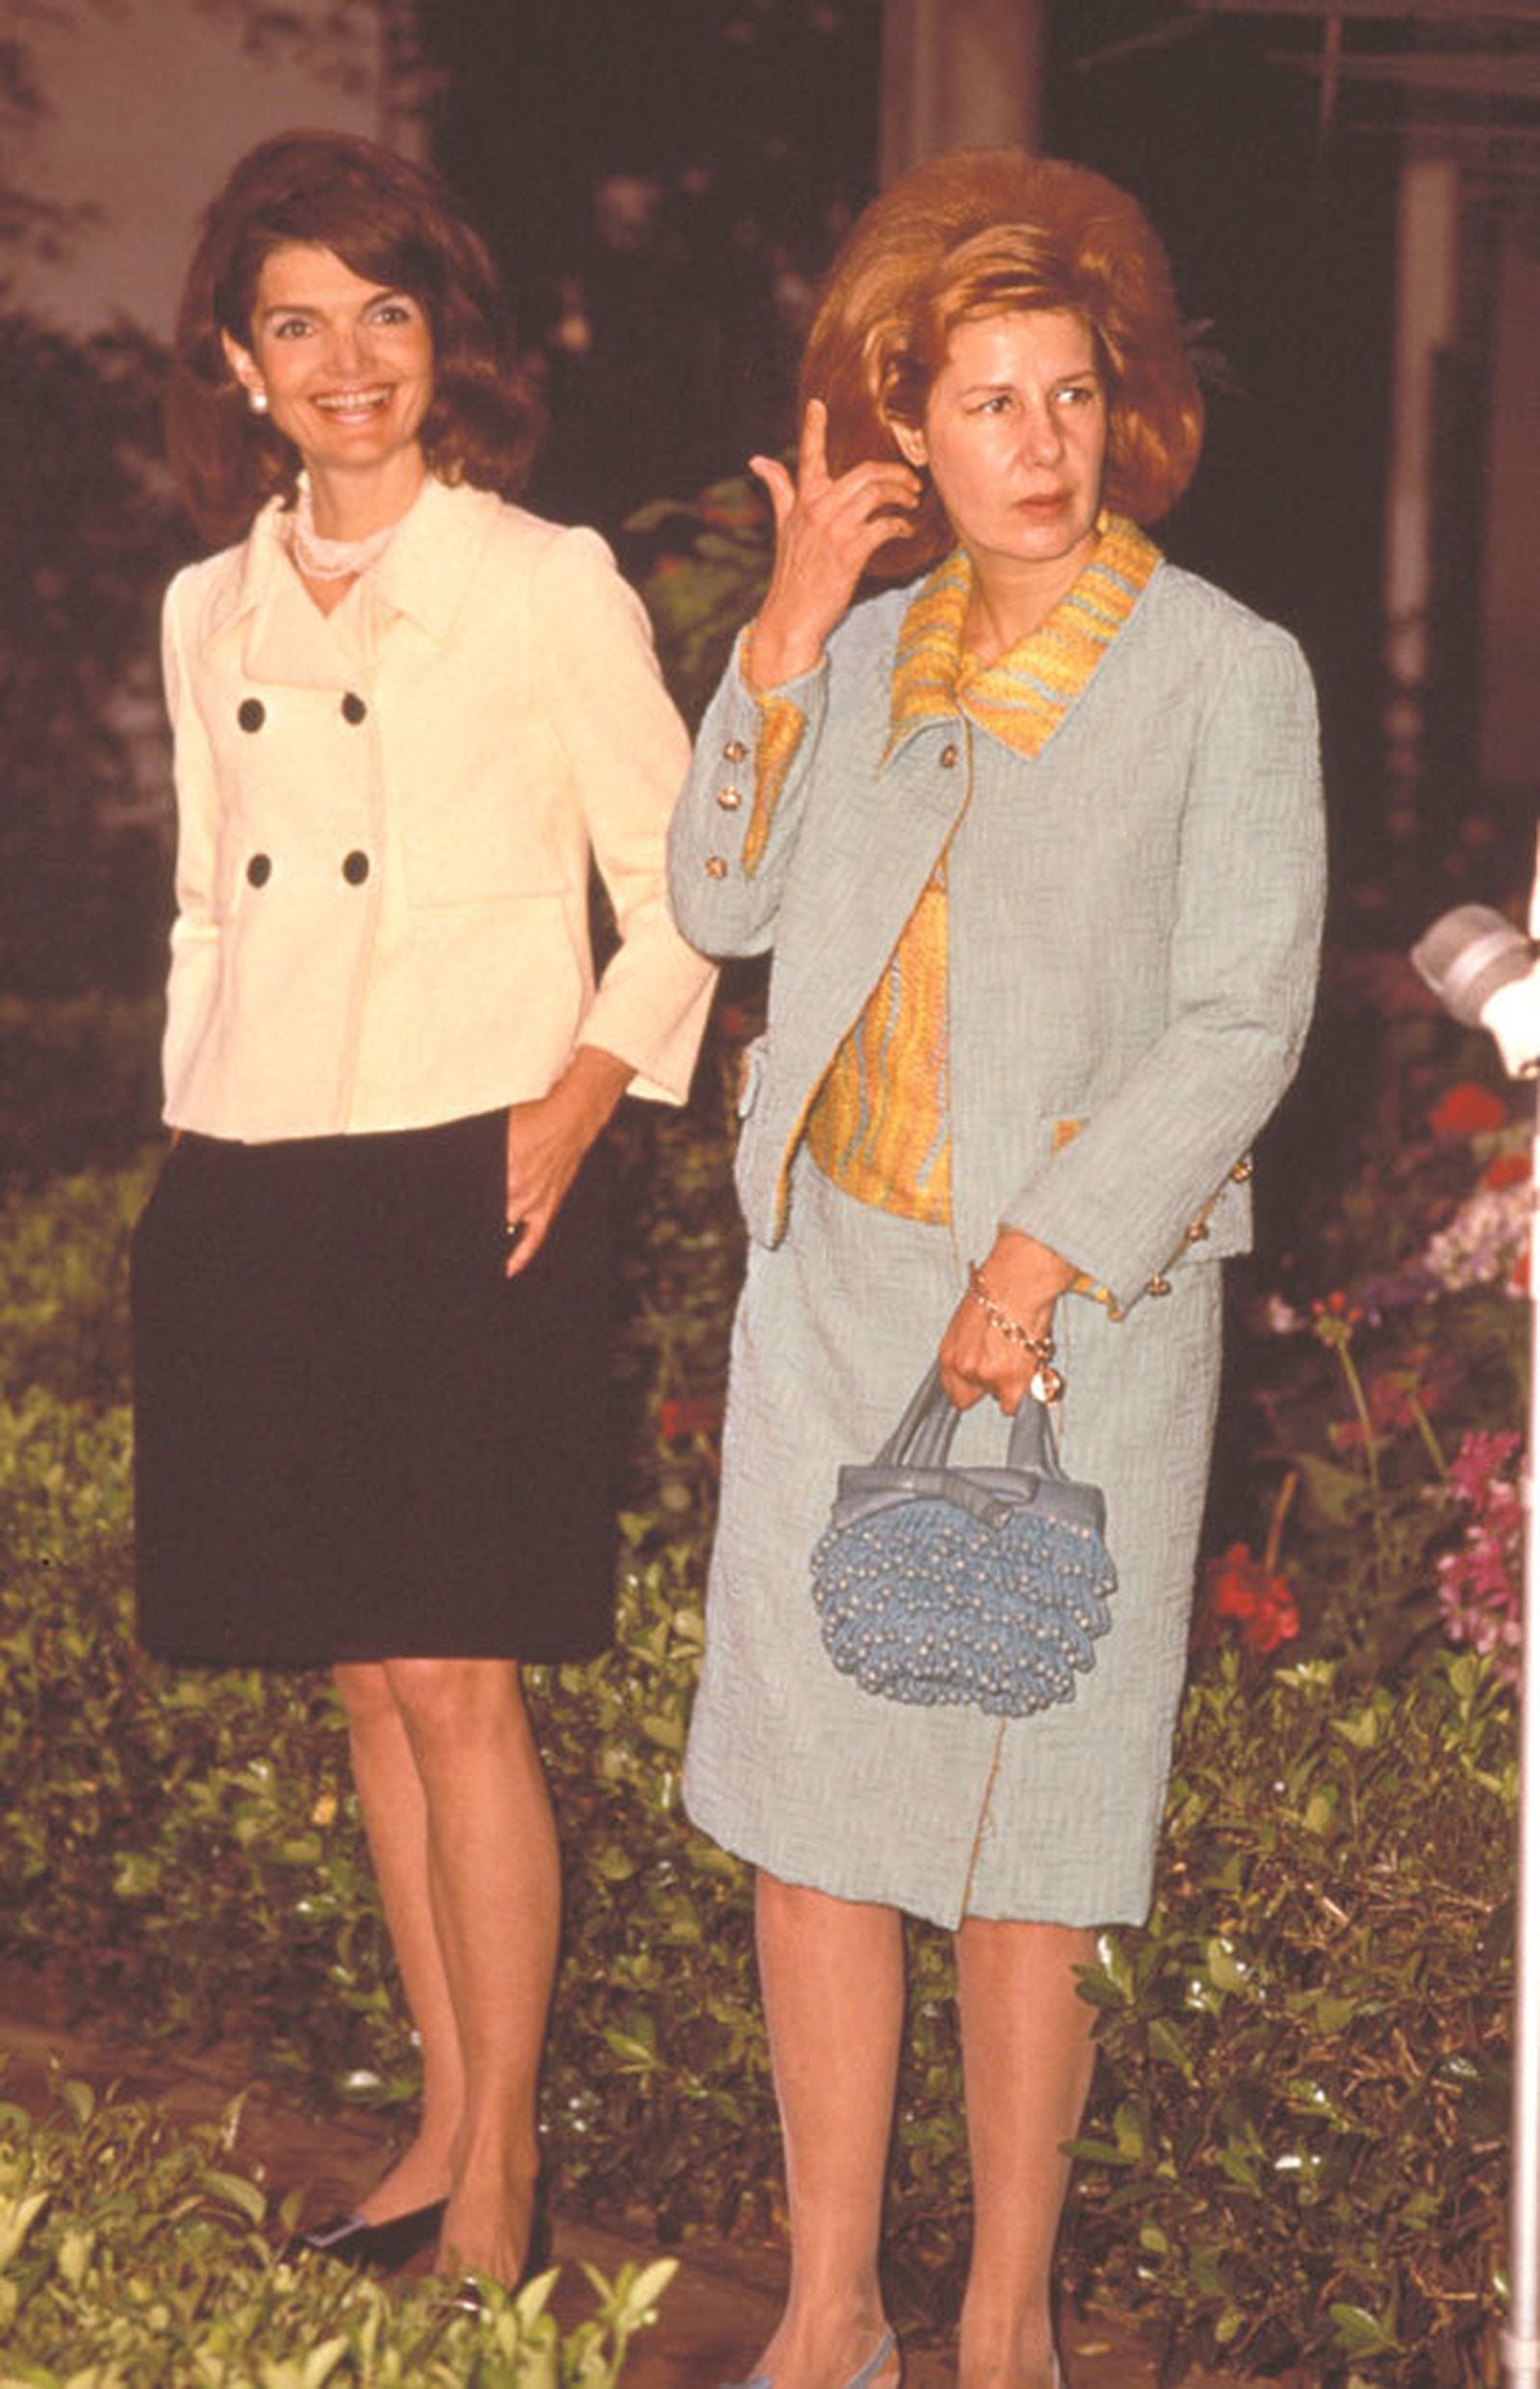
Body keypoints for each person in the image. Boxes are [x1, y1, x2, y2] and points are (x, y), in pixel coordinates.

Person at [668, 150, 1324, 2389]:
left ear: (1112, 408)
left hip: (1078, 1327)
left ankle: (1004, 2327)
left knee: (1027, 1837)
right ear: (902, 428)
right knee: (813, 1815)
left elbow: (1243, 1013)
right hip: (837, 1284)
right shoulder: (856, 650)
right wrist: (771, 635)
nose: (1032, 447)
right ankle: (831, 2307)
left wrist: (1040, 1252)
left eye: (1066, 397)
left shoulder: (1223, 671)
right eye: (984, 405)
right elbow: (723, 910)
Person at [131, 131, 714, 2292]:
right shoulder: (209, 607)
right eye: (300, 320)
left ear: (437, 337)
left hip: (483, 1162)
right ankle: (442, 2123)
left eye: (383, 312)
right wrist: (198, 1153)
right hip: (269, 1172)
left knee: (461, 1684)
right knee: (373, 1684)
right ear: (239, 359)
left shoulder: (544, 575)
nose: (348, 359)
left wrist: (574, 1104)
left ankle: (502, 2185)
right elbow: (206, 907)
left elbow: (681, 894)